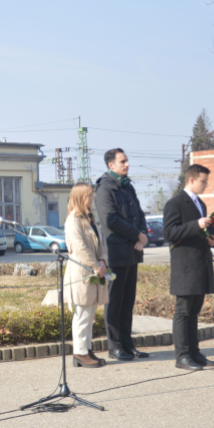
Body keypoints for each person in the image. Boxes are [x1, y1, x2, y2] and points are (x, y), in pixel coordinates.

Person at [163, 164, 214, 371]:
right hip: (185, 266)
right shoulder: (175, 204)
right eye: (203, 181)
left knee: (194, 311)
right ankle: (182, 355)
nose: (206, 185)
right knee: (183, 312)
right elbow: (169, 233)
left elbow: (201, 234)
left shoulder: (201, 205)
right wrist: (197, 225)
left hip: (200, 264)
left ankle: (194, 353)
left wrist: (213, 240)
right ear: (192, 180)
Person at [94, 148, 149, 361]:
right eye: (122, 161)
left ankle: (128, 344)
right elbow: (111, 220)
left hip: (132, 252)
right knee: (114, 300)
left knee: (128, 300)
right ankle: (114, 346)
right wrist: (136, 234)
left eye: (127, 161)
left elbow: (139, 214)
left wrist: (142, 234)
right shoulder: (104, 188)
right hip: (116, 253)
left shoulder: (128, 187)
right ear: (111, 165)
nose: (127, 165)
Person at [64, 183, 109, 368]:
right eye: (89, 196)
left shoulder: (88, 218)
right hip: (82, 272)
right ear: (80, 197)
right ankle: (80, 353)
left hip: (94, 271)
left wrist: (104, 260)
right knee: (82, 313)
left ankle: (87, 349)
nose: (92, 199)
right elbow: (80, 247)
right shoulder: (73, 219)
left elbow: (101, 242)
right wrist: (96, 264)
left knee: (90, 313)